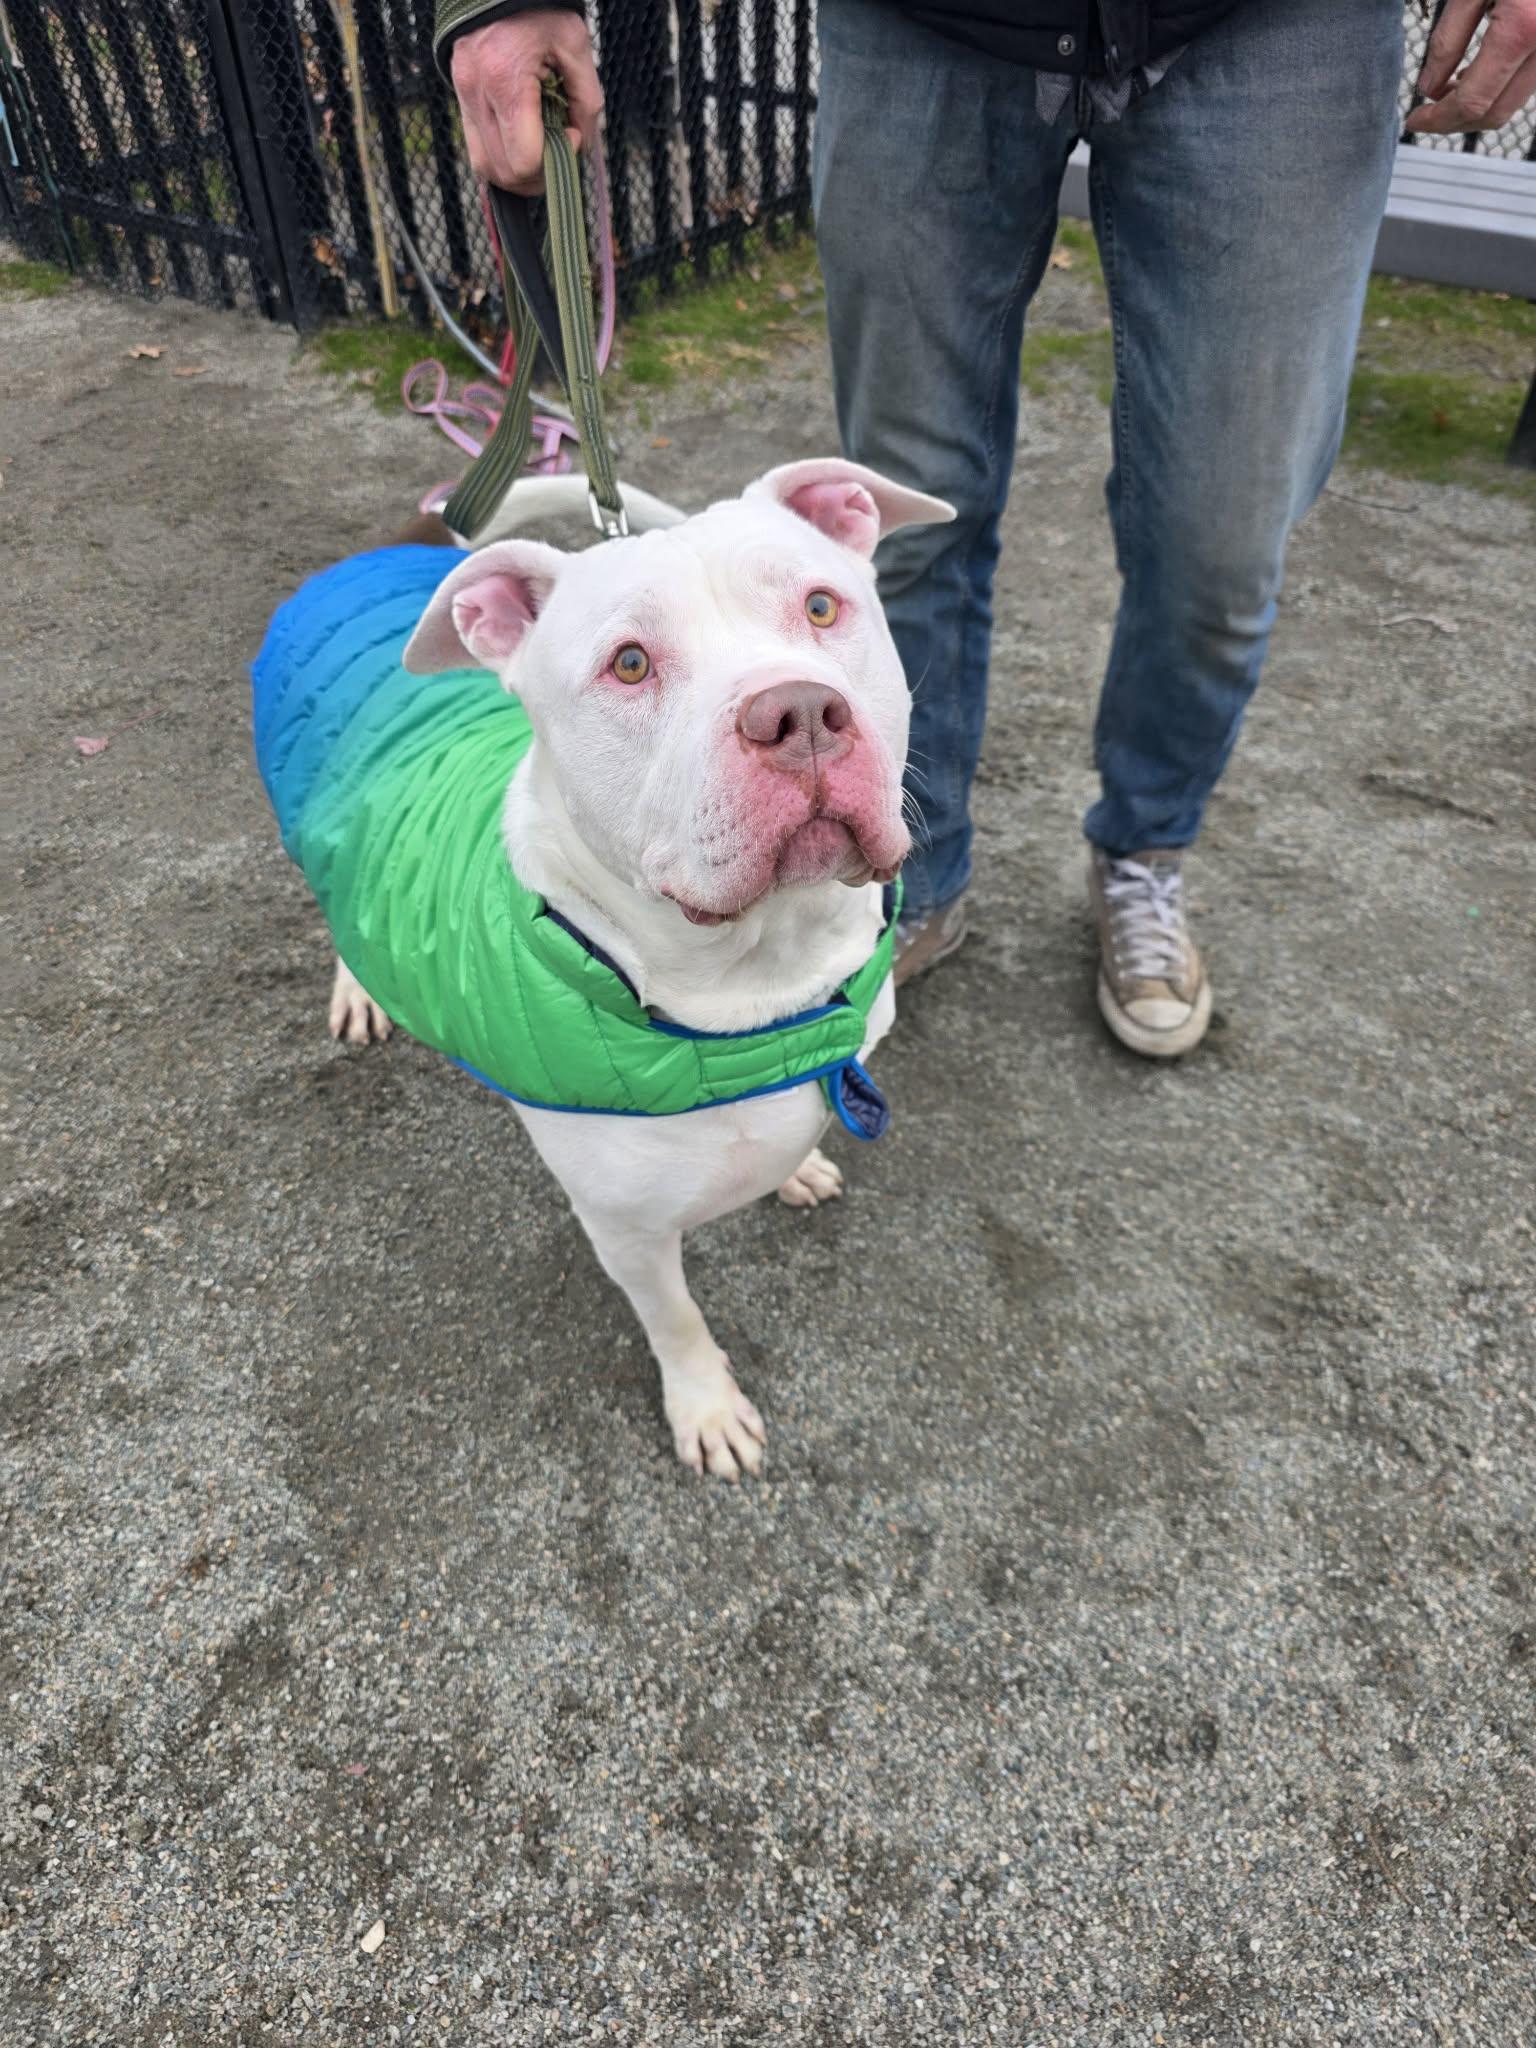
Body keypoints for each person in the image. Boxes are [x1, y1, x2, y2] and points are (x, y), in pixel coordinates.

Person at [434, 0, 1536, 1057]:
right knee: (906, 528)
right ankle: (905, 868)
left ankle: (1144, 848)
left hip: (1273, 23)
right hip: (931, 20)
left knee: (1222, 537)